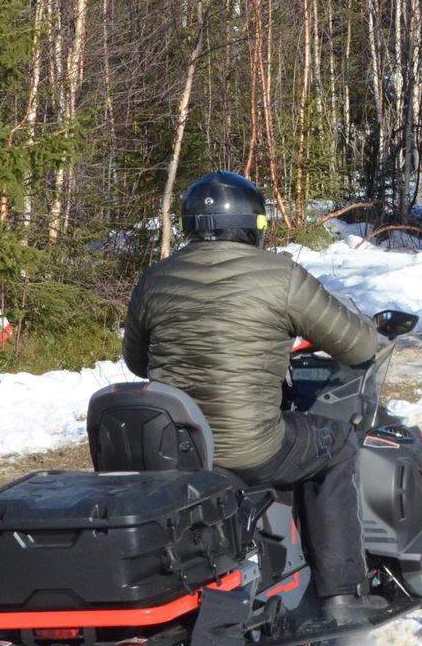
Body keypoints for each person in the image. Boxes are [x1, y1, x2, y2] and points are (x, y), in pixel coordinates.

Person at [122, 170, 384, 603]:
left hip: (175, 450)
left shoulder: (156, 277)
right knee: (337, 444)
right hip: (249, 450)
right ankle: (342, 595)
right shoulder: (280, 276)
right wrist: (372, 331)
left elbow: (137, 361)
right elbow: (357, 346)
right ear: (253, 226)